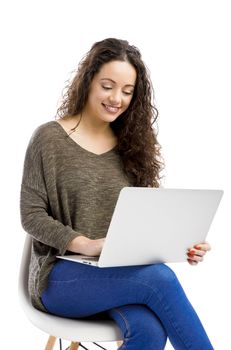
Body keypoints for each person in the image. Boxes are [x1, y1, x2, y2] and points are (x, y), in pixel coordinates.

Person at [20, 38, 213, 349]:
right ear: (88, 81)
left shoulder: (131, 147)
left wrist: (182, 244)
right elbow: (31, 215)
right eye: (107, 86)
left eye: (127, 91)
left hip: (116, 275)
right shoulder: (49, 139)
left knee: (148, 329)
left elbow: (144, 218)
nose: (116, 99)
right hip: (59, 276)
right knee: (159, 279)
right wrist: (86, 244)